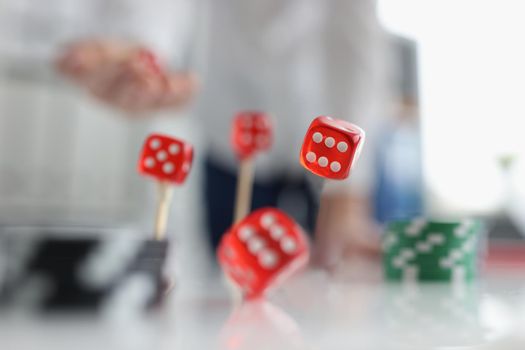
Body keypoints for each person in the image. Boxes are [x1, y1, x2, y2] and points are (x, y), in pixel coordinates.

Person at [4, 0, 385, 267]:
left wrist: (349, 191)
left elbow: (357, 51)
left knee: (333, 266)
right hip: (226, 141)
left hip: (322, 143)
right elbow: (164, 10)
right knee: (232, 268)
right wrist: (145, 51)